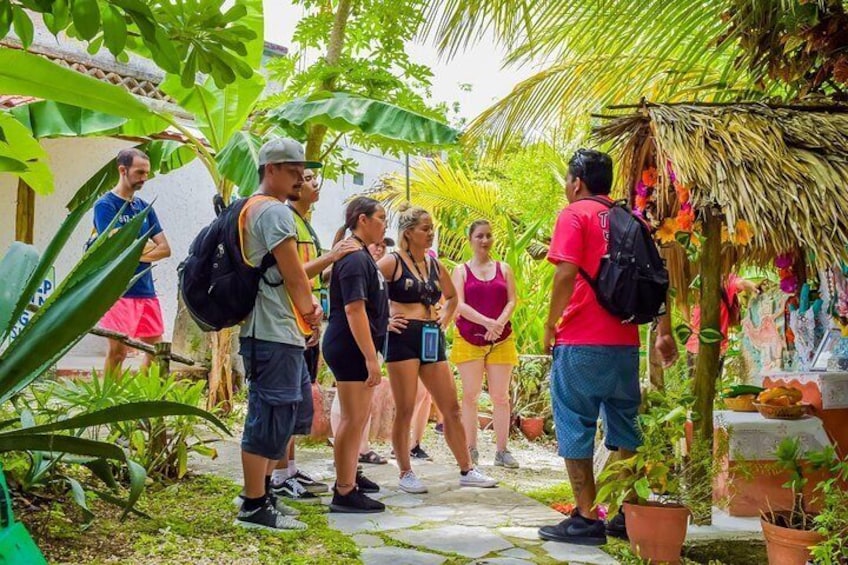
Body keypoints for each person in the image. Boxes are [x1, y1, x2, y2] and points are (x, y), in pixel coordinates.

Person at [539, 149, 677, 546]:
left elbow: (565, 273)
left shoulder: (574, 214)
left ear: (577, 182)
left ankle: (585, 518)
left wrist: (550, 325)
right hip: (625, 343)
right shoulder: (631, 218)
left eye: (567, 180)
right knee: (624, 427)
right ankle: (624, 511)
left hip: (581, 340)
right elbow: (657, 279)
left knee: (573, 424)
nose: (567, 187)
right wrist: (663, 331)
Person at [234, 138, 323, 532]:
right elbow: (293, 273)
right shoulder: (273, 213)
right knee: (268, 415)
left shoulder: (254, 209)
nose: (299, 177)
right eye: (291, 170)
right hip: (271, 329)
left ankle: (263, 493)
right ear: (270, 169)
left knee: (282, 413)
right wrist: (310, 312)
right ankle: (254, 505)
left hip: (273, 329)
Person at [377, 204, 497, 494]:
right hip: (402, 337)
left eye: (432, 228)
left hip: (431, 336)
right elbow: (365, 287)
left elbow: (453, 296)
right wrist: (382, 320)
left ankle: (467, 468)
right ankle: (405, 472)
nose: (431, 233)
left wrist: (446, 314)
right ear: (408, 233)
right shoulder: (391, 262)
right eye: (425, 228)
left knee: (451, 408)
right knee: (405, 408)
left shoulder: (434, 264)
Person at [271, 168, 360, 504]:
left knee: (298, 398)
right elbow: (291, 273)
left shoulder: (304, 223)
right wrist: (332, 255)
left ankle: (290, 470)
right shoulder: (286, 221)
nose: (312, 182)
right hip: (290, 321)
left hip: (308, 321)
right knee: (284, 399)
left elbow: (313, 275)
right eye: (306, 178)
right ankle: (279, 476)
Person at [323, 197, 390, 513]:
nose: (385, 224)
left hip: (355, 345)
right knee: (352, 419)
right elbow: (354, 309)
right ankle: (344, 490)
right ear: (362, 220)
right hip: (349, 346)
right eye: (381, 218)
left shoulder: (361, 255)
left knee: (357, 418)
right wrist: (369, 357)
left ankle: (349, 479)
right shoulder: (353, 258)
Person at [95, 148, 171, 376]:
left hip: (146, 289)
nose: (144, 178)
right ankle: (111, 403)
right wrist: (144, 247)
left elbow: (165, 249)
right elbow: (116, 246)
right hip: (119, 291)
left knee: (156, 351)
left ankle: (142, 398)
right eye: (139, 172)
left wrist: (133, 249)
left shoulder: (145, 208)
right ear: (122, 170)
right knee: (118, 352)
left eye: (147, 173)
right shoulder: (105, 205)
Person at [451, 219, 519, 468]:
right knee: (470, 395)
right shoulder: (460, 271)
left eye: (488, 235)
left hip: (501, 338)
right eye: (479, 236)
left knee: (500, 396)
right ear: (470, 239)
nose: (484, 240)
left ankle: (502, 451)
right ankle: (471, 448)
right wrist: (487, 322)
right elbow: (458, 303)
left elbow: (512, 300)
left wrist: (499, 323)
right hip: (470, 337)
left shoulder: (504, 268)